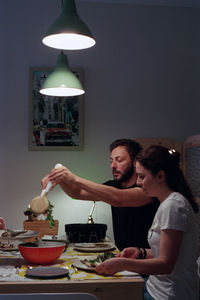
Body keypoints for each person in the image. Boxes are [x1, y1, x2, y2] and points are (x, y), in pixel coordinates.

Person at [43, 145, 199, 300]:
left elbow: (166, 264)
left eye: (142, 176)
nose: (139, 182)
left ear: (160, 176)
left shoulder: (172, 205)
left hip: (167, 294)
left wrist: (123, 264)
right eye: (111, 160)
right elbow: (168, 253)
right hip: (153, 285)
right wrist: (140, 252)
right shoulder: (166, 202)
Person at [103, 139, 159, 250]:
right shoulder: (113, 185)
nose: (112, 166)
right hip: (126, 259)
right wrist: (63, 178)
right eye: (111, 161)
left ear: (134, 162)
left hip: (146, 262)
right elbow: (79, 193)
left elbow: (118, 198)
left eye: (119, 160)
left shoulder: (148, 190)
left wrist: (74, 179)